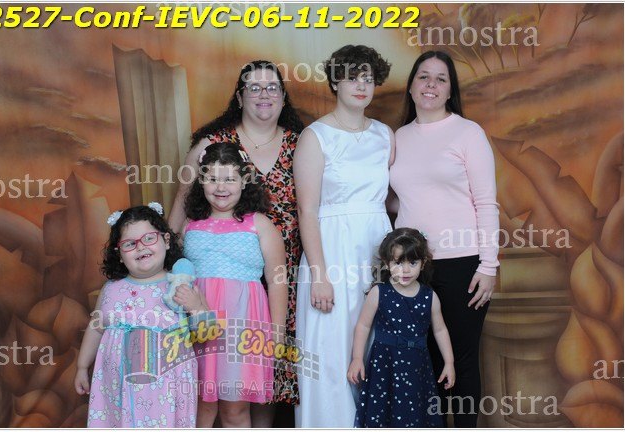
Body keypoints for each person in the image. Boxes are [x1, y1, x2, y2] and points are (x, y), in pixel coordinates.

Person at [169, 60, 304, 424]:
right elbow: (180, 210)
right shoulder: (212, 146)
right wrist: (165, 261)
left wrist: (277, 333)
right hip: (199, 308)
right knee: (200, 400)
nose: (263, 94)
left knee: (240, 398)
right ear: (240, 96)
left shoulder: (300, 142)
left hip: (259, 293)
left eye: (272, 87)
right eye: (254, 87)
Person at [390, 50, 500, 427]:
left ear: (450, 90)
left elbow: (486, 202)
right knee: (425, 359)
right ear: (411, 87)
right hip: (412, 267)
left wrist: (489, 266)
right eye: (423, 76)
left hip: (463, 263)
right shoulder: (397, 138)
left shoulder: (468, 133)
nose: (431, 85)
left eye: (441, 79)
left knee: (462, 360)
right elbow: (399, 197)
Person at [294, 45, 394, 428]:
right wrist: (319, 275)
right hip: (331, 253)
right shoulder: (315, 137)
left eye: (368, 78)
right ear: (336, 81)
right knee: (331, 350)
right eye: (353, 77)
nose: (361, 85)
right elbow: (307, 211)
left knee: (375, 343)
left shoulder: (385, 135)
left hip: (376, 251)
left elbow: (391, 199)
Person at [181, 143, 288, 428]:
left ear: (243, 181)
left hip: (243, 325)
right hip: (197, 325)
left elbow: (277, 281)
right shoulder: (190, 225)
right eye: (212, 178)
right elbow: (176, 275)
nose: (221, 187)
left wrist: (277, 334)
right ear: (201, 181)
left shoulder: (259, 224)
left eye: (229, 178)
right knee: (199, 408)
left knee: (234, 410)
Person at [74, 203, 207, 428]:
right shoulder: (112, 289)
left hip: (166, 387)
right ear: (119, 253)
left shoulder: (180, 285)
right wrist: (81, 366)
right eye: (129, 244)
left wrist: (196, 306)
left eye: (149, 238)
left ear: (166, 240)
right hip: (117, 386)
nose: (140, 247)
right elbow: (96, 327)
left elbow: (207, 333)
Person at [347, 228, 455, 428]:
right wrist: (357, 358)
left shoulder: (429, 297)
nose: (405, 270)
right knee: (383, 413)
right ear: (387, 263)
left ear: (423, 263)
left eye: (412, 263)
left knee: (414, 414)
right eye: (398, 263)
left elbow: (440, 330)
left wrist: (449, 362)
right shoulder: (379, 293)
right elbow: (363, 325)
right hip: (384, 366)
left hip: (417, 367)